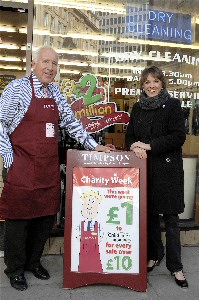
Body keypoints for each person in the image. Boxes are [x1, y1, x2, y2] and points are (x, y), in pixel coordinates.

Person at [0, 46, 114, 291]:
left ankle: (33, 262)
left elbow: (71, 123)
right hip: (22, 165)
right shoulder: (16, 89)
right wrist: (9, 159)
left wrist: (94, 146)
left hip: (47, 168)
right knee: (19, 222)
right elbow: (0, 122)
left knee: (44, 219)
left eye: (54, 64)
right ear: (33, 63)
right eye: (45, 62)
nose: (50, 68)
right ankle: (16, 268)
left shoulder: (55, 92)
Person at [125, 66, 188, 288]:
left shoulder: (172, 105)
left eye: (155, 81)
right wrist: (135, 147)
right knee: (150, 217)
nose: (151, 86)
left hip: (168, 171)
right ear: (142, 85)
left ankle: (176, 266)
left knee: (171, 220)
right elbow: (130, 136)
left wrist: (149, 146)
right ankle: (155, 254)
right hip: (146, 170)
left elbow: (178, 137)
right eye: (147, 82)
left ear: (162, 83)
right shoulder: (137, 108)